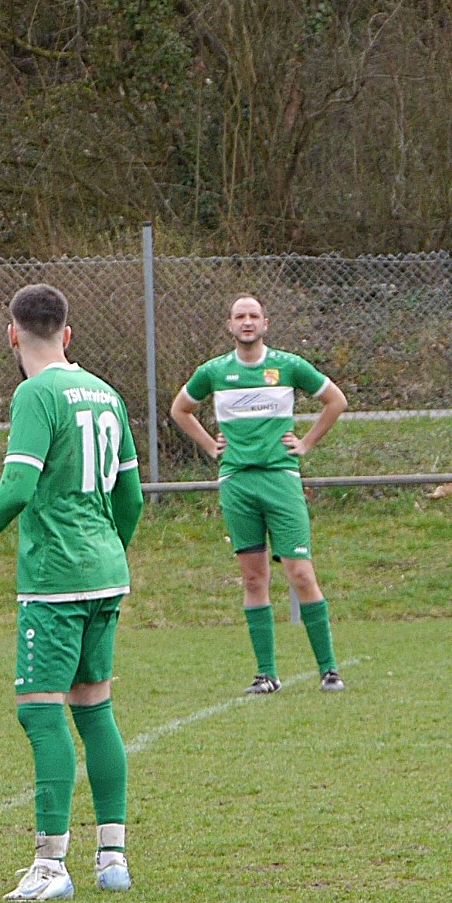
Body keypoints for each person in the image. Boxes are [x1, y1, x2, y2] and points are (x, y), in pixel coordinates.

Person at [0, 284, 144, 901]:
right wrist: (109, 551)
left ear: (12, 334)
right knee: (95, 709)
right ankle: (113, 858)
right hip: (105, 571)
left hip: (56, 577)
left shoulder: (34, 394)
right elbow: (131, 498)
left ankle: (51, 867)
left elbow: (17, 489)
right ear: (68, 334)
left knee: (40, 710)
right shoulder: (106, 393)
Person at [169, 296, 348, 694]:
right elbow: (180, 409)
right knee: (253, 579)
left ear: (265, 323)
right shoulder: (213, 372)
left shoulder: (289, 366)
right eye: (240, 316)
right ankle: (266, 674)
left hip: (280, 479)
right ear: (229, 325)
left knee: (301, 574)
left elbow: (336, 401)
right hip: (237, 483)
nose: (247, 322)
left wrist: (305, 443)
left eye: (253, 316)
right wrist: (209, 445)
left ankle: (329, 670)